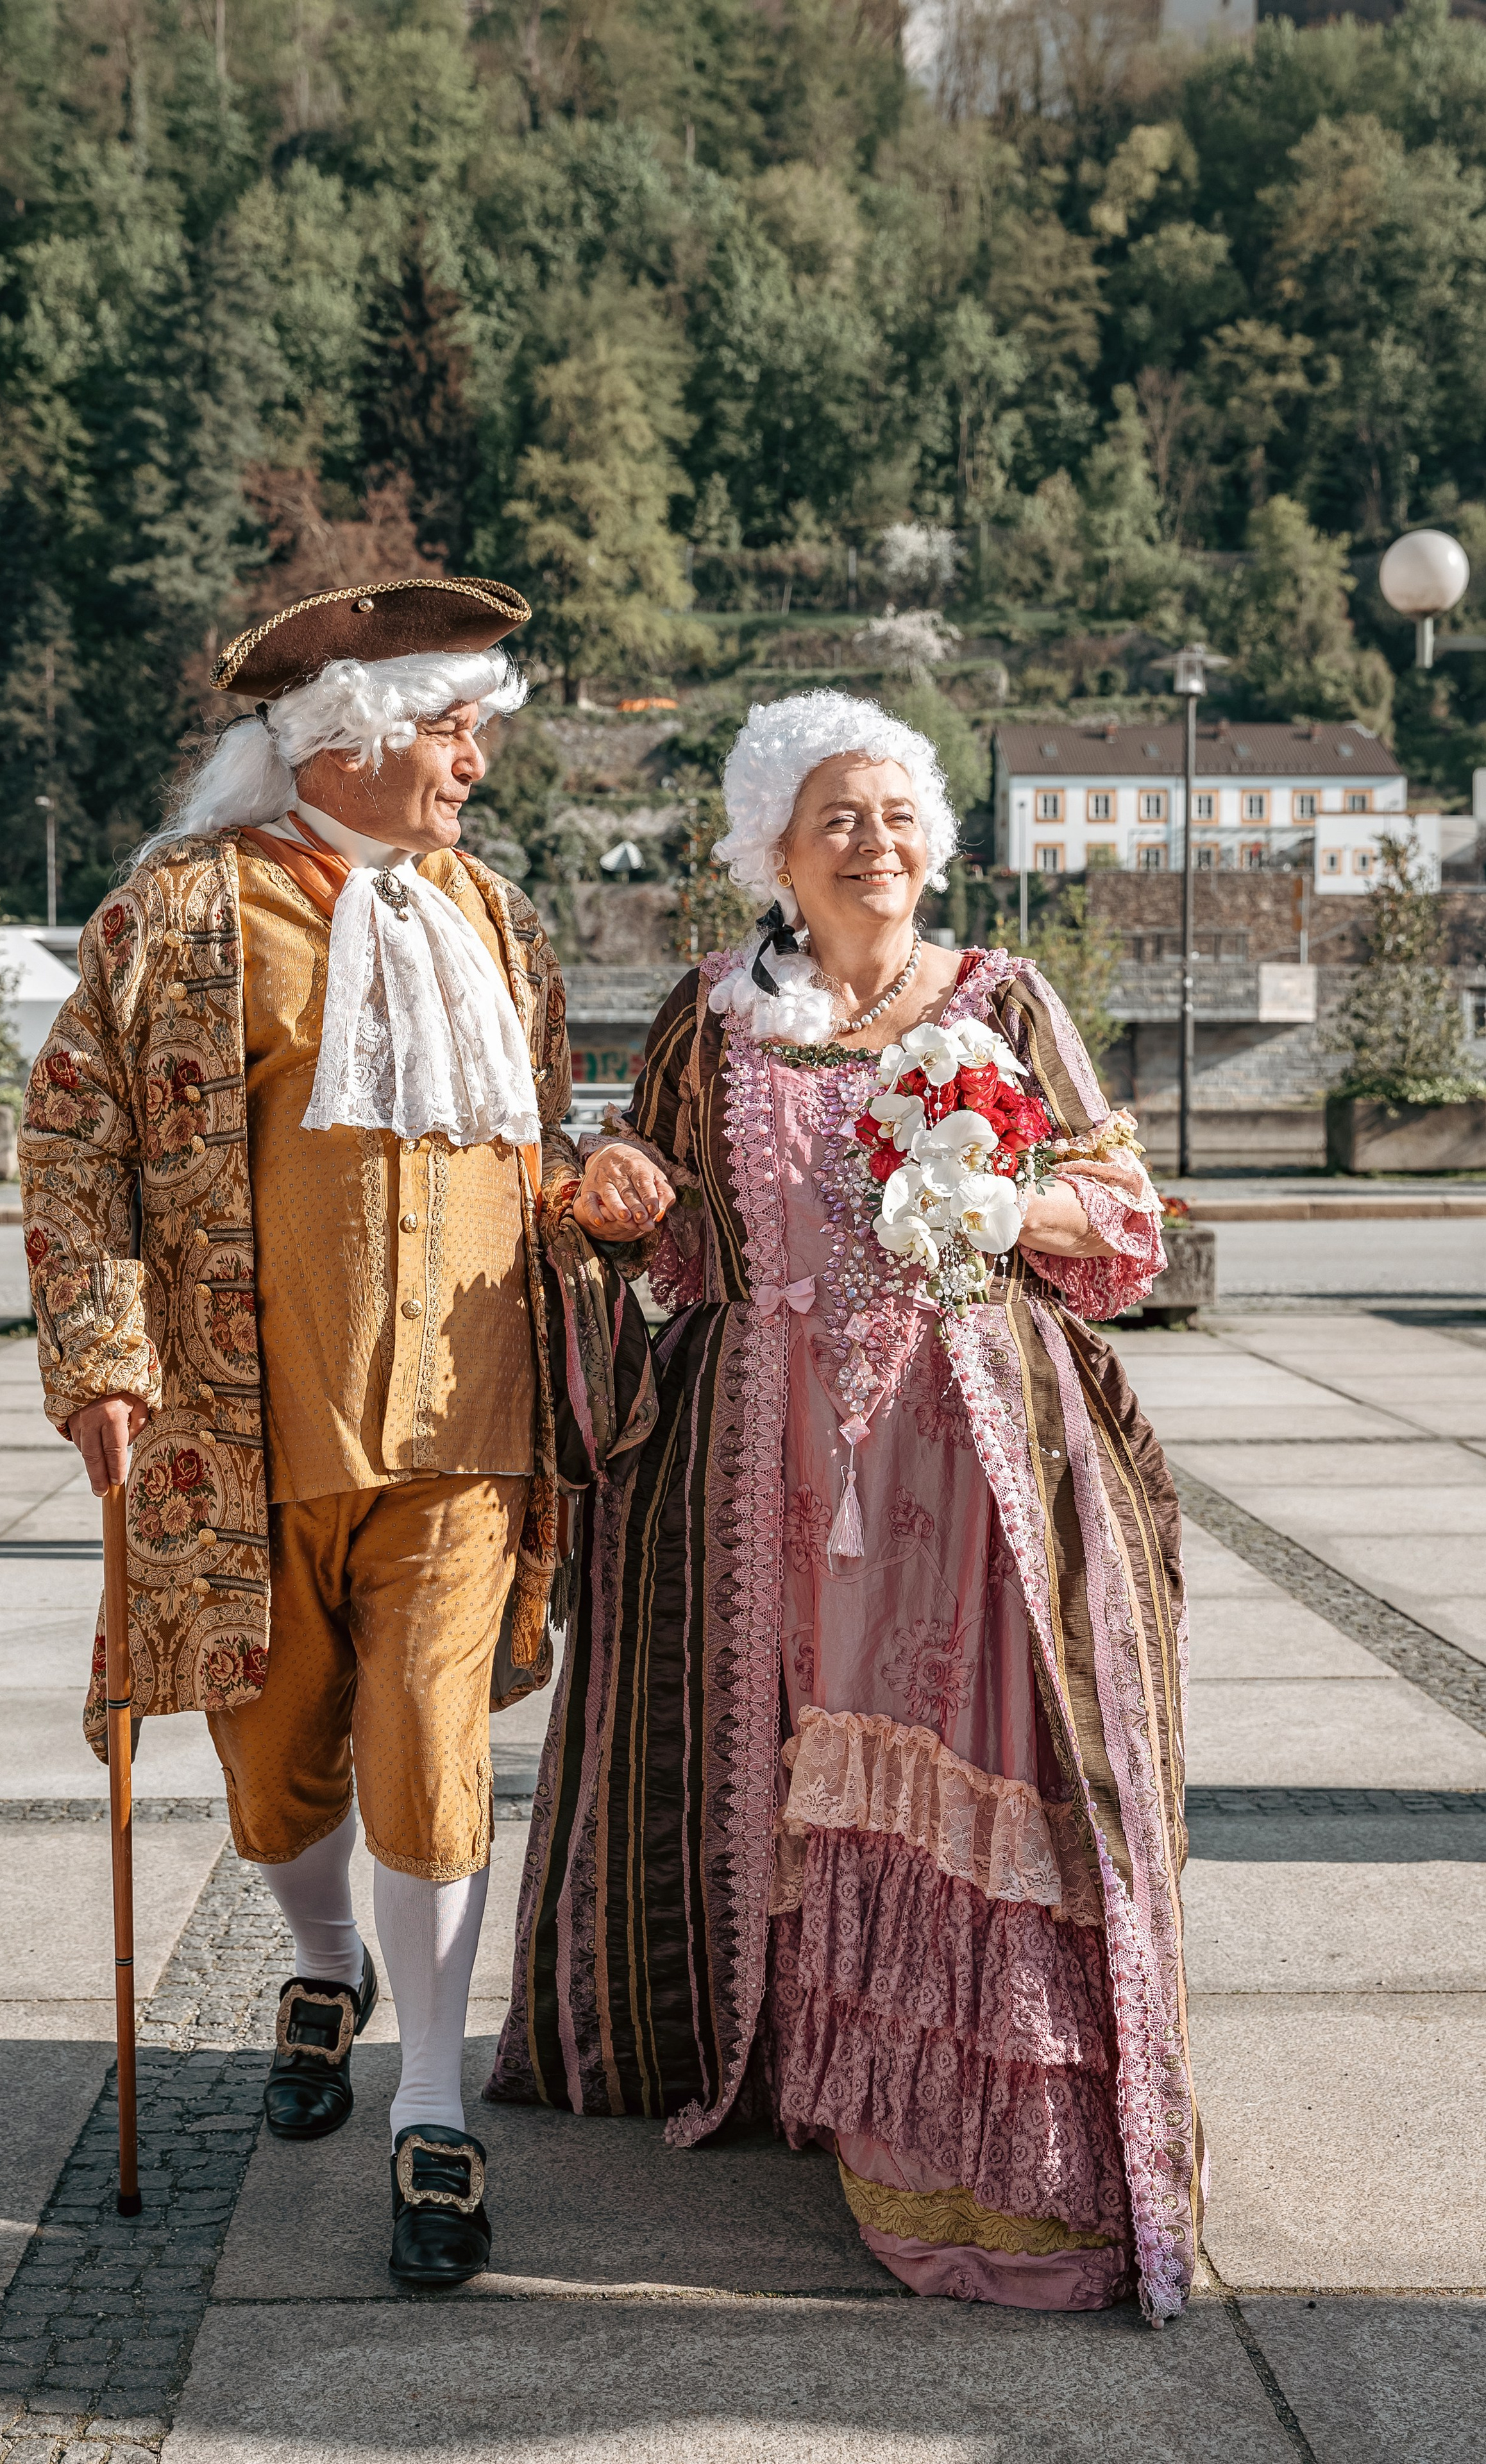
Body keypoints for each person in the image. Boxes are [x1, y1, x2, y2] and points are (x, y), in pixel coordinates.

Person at [490, 689, 1201, 2319]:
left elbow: (1121, 1219)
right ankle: (813, 2067)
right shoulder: (709, 1018)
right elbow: (671, 1245)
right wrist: (613, 1204)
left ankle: (974, 2129)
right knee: (790, 1752)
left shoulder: (1003, 999)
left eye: (893, 816)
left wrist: (1004, 1193)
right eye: (836, 820)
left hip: (965, 1448)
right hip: (766, 1452)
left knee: (964, 1750)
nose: (872, 844)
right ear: (775, 853)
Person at [21, 576, 578, 2290]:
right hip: (243, 1442)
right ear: (344, 739)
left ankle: (432, 2099)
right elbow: (71, 1137)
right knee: (275, 1784)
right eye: (451, 726)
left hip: (467, 1436)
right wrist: (106, 1357)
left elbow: (531, 1146)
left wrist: (601, 1203)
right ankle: (321, 1960)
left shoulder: (494, 916)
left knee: (431, 1750)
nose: (474, 763)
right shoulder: (180, 912)